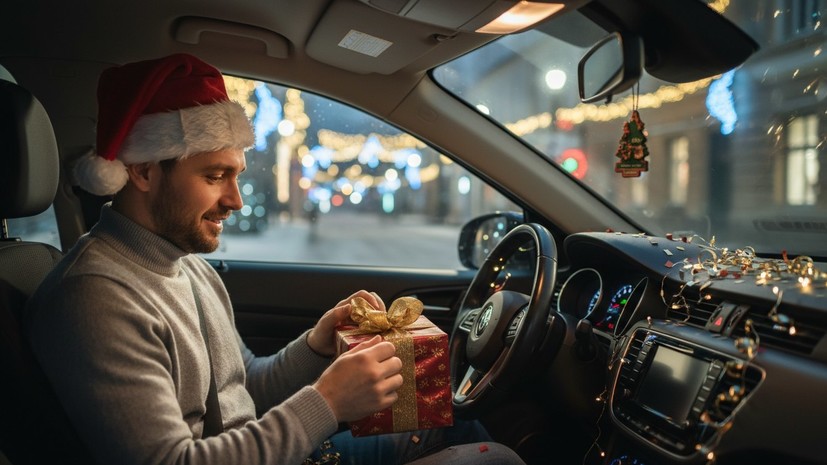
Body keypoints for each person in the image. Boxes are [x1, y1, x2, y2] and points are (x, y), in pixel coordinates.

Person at [25, 53, 525, 465]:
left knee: (455, 422)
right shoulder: (94, 295)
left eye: (236, 175)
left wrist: (316, 344)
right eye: (215, 176)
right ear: (142, 171)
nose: (236, 200)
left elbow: (243, 390)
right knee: (494, 459)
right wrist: (327, 403)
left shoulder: (187, 265)